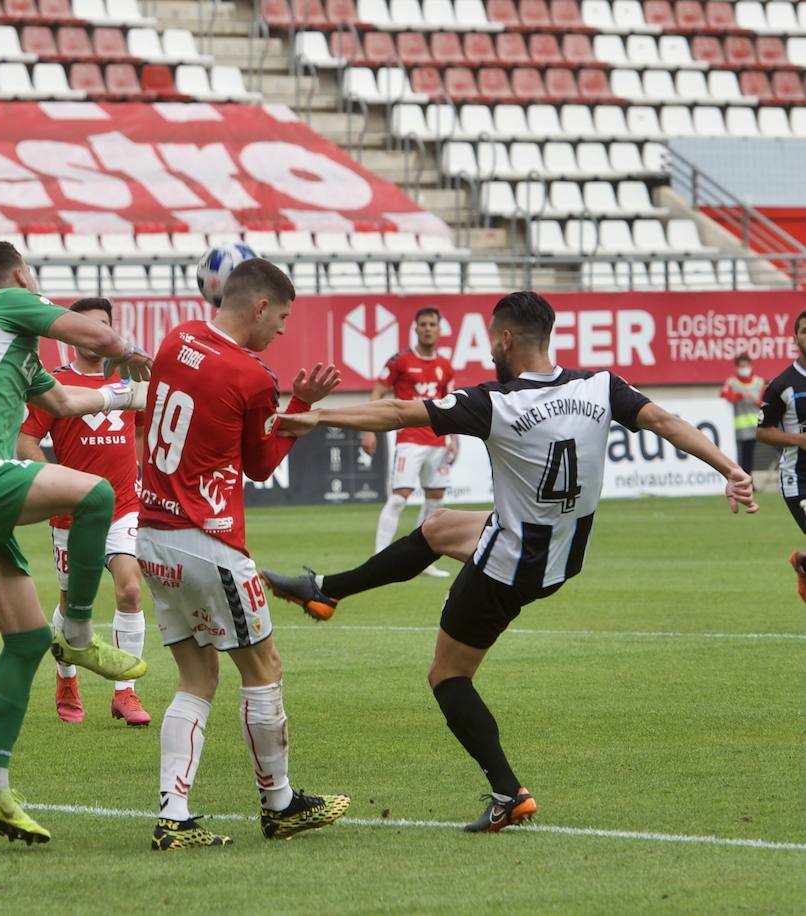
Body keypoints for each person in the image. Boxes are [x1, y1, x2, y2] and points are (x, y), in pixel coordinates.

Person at [266, 291, 756, 832]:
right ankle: (326, 590)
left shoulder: (497, 402)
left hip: (509, 566)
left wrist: (318, 418)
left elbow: (402, 411)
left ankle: (507, 792)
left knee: (448, 676)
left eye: (490, 338)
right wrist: (729, 469)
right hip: (561, 550)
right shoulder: (600, 386)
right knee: (437, 527)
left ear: (505, 339)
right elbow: (664, 420)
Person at [0, 241, 153, 846]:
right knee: (97, 496)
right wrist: (138, 355)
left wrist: (128, 394)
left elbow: (68, 401)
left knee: (22, 640)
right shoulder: (12, 303)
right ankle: (76, 633)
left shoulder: (16, 355)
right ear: (18, 275)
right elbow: (96, 339)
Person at [136, 258, 349, 851]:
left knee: (195, 677)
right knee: (264, 670)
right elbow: (257, 465)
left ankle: (173, 817)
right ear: (259, 307)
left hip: (151, 534)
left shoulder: (176, 338)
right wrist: (300, 411)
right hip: (209, 540)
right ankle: (280, 805)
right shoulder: (252, 375)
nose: (281, 330)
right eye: (281, 318)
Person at [17, 297, 151, 727]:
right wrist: (54, 488)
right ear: (73, 333)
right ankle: (66, 677)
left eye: (103, 326)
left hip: (125, 507)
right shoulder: (53, 384)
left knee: (130, 589)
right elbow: (25, 443)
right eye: (86, 326)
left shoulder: (131, 379)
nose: (96, 334)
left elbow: (144, 430)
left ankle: (125, 692)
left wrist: (144, 475)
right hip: (74, 512)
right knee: (74, 601)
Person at [360, 307, 456, 578]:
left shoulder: (445, 366)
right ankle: (379, 557)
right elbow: (378, 392)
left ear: (439, 329)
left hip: (438, 441)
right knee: (399, 498)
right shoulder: (400, 361)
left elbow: (450, 404)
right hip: (410, 440)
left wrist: (454, 439)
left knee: (435, 500)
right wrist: (368, 430)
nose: (427, 328)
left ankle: (423, 560)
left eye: (432, 324)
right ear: (415, 328)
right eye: (422, 324)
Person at [755, 310, 806, 600]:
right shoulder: (782, 385)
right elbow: (763, 431)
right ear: (795, 337)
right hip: (799, 479)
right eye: (805, 331)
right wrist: (798, 439)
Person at [721, 352, 765, 479]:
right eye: (741, 366)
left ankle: (747, 480)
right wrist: (738, 396)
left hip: (752, 428)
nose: (744, 369)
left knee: (748, 457)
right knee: (733, 456)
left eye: (746, 365)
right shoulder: (731, 382)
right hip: (734, 427)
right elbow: (723, 396)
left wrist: (755, 401)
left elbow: (764, 403)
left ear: (750, 365)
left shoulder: (759, 382)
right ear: (737, 367)